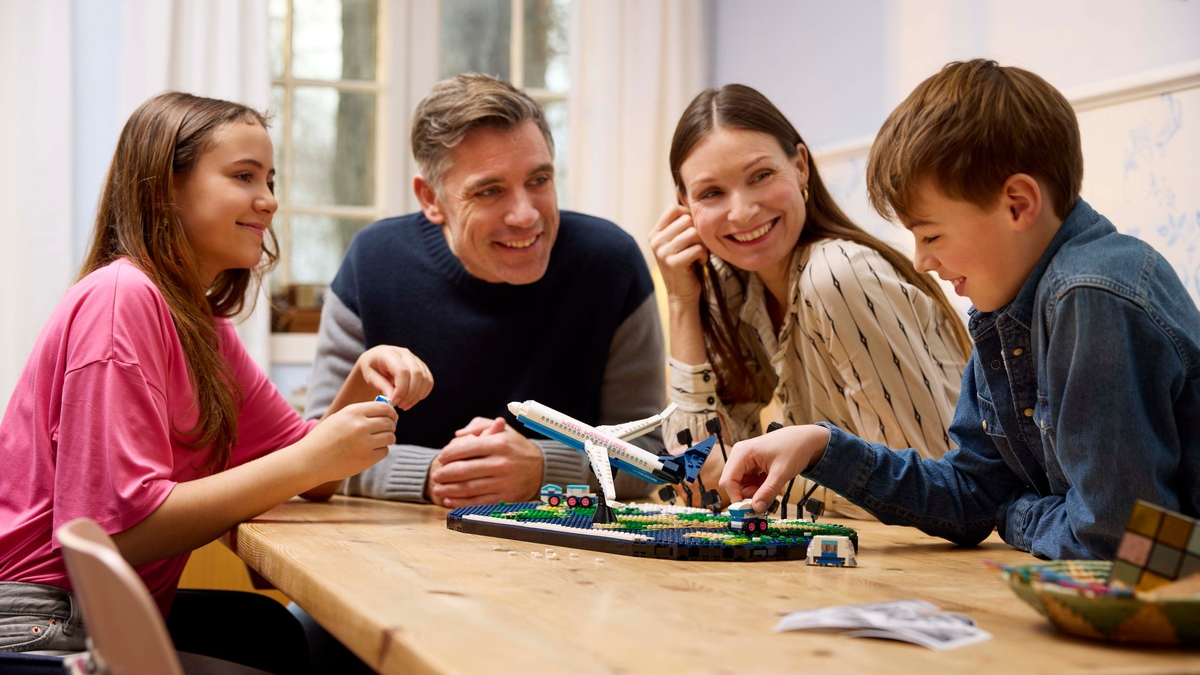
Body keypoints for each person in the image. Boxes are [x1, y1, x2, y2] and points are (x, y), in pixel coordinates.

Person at [0, 92, 432, 673]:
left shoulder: (200, 325)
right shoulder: (120, 301)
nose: (270, 200)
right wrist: (311, 461)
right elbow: (115, 535)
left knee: (272, 633)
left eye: (271, 179)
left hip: (102, 608)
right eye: (243, 176)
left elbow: (314, 475)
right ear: (165, 189)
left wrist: (360, 379)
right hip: (37, 618)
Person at [721, 59, 1200, 560]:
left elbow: (1121, 546)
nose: (923, 262)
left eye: (930, 235)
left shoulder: (1090, 297)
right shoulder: (1009, 308)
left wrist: (1015, 512)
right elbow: (972, 495)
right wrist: (820, 446)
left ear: (1017, 204)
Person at [306, 73, 666, 509]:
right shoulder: (373, 262)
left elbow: (648, 455)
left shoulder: (611, 262)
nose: (525, 215)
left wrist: (540, 467)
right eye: (490, 190)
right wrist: (431, 474)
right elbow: (314, 449)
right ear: (431, 199)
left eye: (539, 181)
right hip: (399, 546)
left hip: (567, 550)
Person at [649, 84, 971, 516]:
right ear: (685, 206)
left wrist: (777, 480)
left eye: (761, 176)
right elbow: (702, 482)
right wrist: (682, 303)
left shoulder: (838, 275)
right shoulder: (734, 286)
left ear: (800, 166)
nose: (742, 211)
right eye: (711, 193)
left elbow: (936, 489)